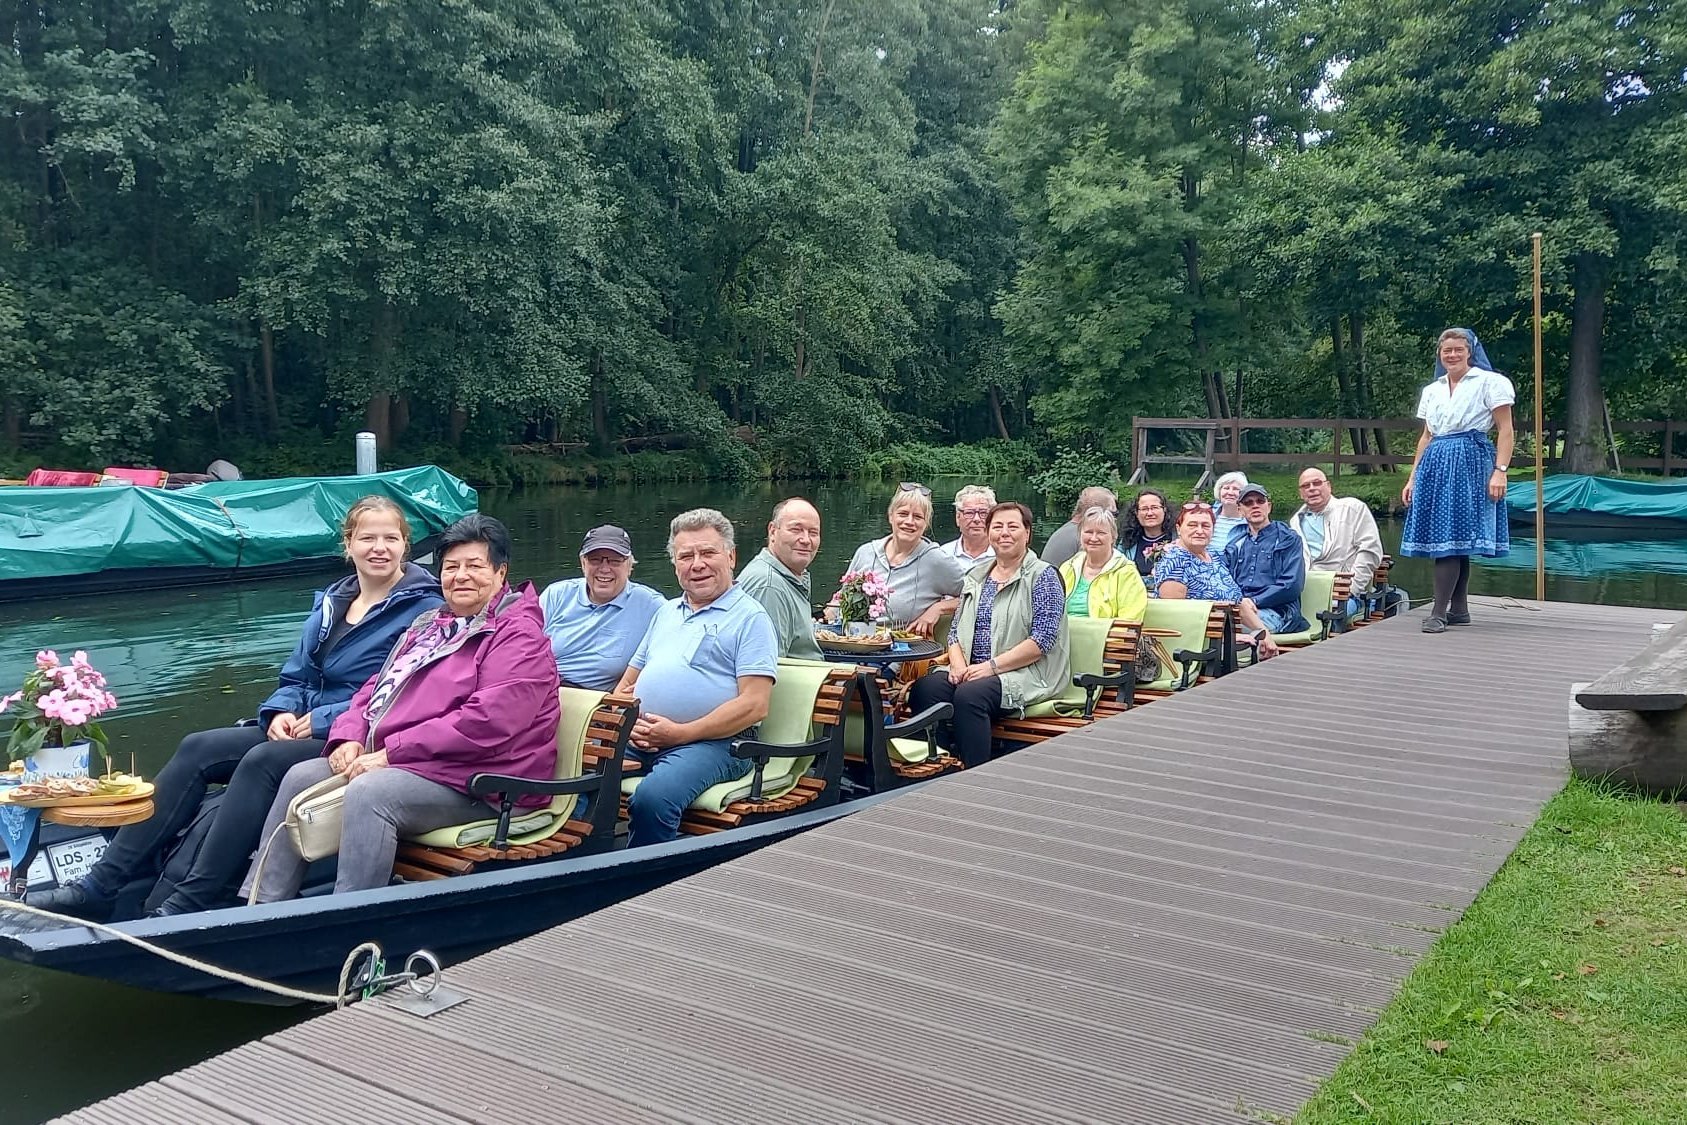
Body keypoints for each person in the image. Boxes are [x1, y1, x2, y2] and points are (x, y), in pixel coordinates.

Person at [29, 496, 443, 920]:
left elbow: (401, 690)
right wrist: (279, 711)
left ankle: (191, 898)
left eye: (391, 538)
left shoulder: (424, 610)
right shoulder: (333, 601)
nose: (380, 547)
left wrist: (319, 719)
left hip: (356, 734)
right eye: (368, 537)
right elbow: (297, 675)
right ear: (348, 544)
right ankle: (102, 883)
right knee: (199, 747)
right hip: (301, 720)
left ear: (405, 546)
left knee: (263, 762)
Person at [244, 514, 560, 902]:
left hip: (486, 780)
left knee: (371, 792)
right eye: (451, 567)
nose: (461, 576)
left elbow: (488, 721)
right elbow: (375, 688)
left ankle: (350, 924)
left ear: (500, 573)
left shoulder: (518, 635)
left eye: (475, 566)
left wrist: (392, 753)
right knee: (299, 776)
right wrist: (349, 736)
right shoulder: (433, 624)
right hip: (422, 762)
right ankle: (260, 906)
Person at [616, 509, 779, 846]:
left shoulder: (751, 619)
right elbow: (626, 686)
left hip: (718, 744)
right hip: (643, 736)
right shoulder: (666, 613)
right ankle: (582, 864)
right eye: (686, 556)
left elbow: (755, 705)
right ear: (675, 565)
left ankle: (645, 881)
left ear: (731, 556)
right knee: (581, 775)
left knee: (654, 797)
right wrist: (627, 723)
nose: (697, 564)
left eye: (708, 553)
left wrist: (679, 734)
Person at [908, 502, 1071, 767]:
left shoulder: (1044, 576)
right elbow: (955, 631)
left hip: (1027, 672)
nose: (1004, 533)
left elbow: (1042, 641)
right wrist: (959, 665)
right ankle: (939, 765)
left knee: (970, 695)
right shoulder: (976, 576)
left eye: (1012, 526)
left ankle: (974, 772)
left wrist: (991, 667)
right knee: (926, 689)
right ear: (989, 533)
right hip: (974, 670)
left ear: (1027, 533)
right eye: (997, 527)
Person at [1402, 327, 1515, 632]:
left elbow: (1506, 429)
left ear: (1470, 352)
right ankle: (1459, 609)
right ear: (1440, 354)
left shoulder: (1490, 383)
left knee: (1449, 537)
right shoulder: (1433, 390)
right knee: (1454, 536)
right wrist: (1412, 477)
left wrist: (1500, 471)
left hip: (1470, 459)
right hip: (1436, 461)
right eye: (1446, 350)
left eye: (1458, 350)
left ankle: (1438, 612)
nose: (1451, 355)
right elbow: (1426, 436)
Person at [539, 525, 665, 690]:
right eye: (595, 560)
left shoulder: (652, 605)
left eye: (614, 561)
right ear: (583, 563)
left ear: (629, 566)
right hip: (541, 687)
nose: (605, 569)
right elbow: (524, 645)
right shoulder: (556, 594)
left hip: (593, 702)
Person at [1153, 503, 1281, 659]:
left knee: (1267, 643)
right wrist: (1225, 637)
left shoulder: (1212, 556)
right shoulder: (1174, 563)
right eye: (1192, 525)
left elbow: (1236, 602)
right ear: (1179, 529)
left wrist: (1265, 634)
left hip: (1227, 633)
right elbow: (1176, 618)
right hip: (1197, 644)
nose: (1199, 531)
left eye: (1206, 525)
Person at [841, 483, 964, 637]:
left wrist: (938, 608)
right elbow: (842, 597)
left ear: (926, 524)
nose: (909, 522)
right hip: (853, 641)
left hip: (901, 652)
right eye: (903, 514)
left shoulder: (936, 560)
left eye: (918, 517)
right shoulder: (865, 552)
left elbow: (975, 595)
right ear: (891, 516)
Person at [1290, 468, 1384, 617]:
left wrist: (1351, 589)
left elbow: (1370, 551)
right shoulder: (1295, 521)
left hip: (1346, 593)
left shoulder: (1353, 508)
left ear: (1329, 486)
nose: (1312, 489)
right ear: (1301, 493)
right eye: (1306, 486)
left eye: (1317, 483)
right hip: (1306, 593)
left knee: (1330, 616)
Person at [737, 498, 824, 659]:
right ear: (772, 531)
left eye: (813, 533)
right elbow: (767, 669)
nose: (806, 540)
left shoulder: (788, 576)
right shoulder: (769, 587)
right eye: (796, 530)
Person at [1223, 483, 1309, 634]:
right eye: (1248, 503)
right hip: (1239, 609)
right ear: (1240, 510)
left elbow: (1292, 585)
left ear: (1268, 507)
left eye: (1260, 501)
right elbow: (1223, 580)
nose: (1255, 506)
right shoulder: (1235, 544)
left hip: (1279, 613)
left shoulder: (1288, 539)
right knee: (1210, 623)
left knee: (1225, 628)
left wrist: (1254, 601)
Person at [1058, 507, 1148, 621]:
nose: (1094, 538)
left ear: (1113, 537)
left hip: (1104, 637)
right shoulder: (1067, 568)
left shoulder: (1127, 573)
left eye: (1101, 533)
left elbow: (1130, 621)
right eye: (1088, 532)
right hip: (1063, 637)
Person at [1041, 486, 1117, 568]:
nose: (1115, 519)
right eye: (1113, 514)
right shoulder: (1088, 539)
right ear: (1099, 513)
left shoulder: (1066, 531)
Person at [938, 484, 997, 567]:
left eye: (983, 513)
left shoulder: (1004, 554)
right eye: (969, 513)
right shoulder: (943, 554)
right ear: (958, 518)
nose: (976, 519)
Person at [1120, 488, 1173, 577]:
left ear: (1164, 510)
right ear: (1136, 513)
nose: (1149, 513)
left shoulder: (1178, 540)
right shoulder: (1127, 543)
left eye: (1154, 508)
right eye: (1144, 509)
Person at [1210, 471, 1250, 554]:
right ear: (1219, 491)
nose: (1230, 493)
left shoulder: (1251, 521)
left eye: (1236, 489)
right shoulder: (1206, 516)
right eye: (1226, 488)